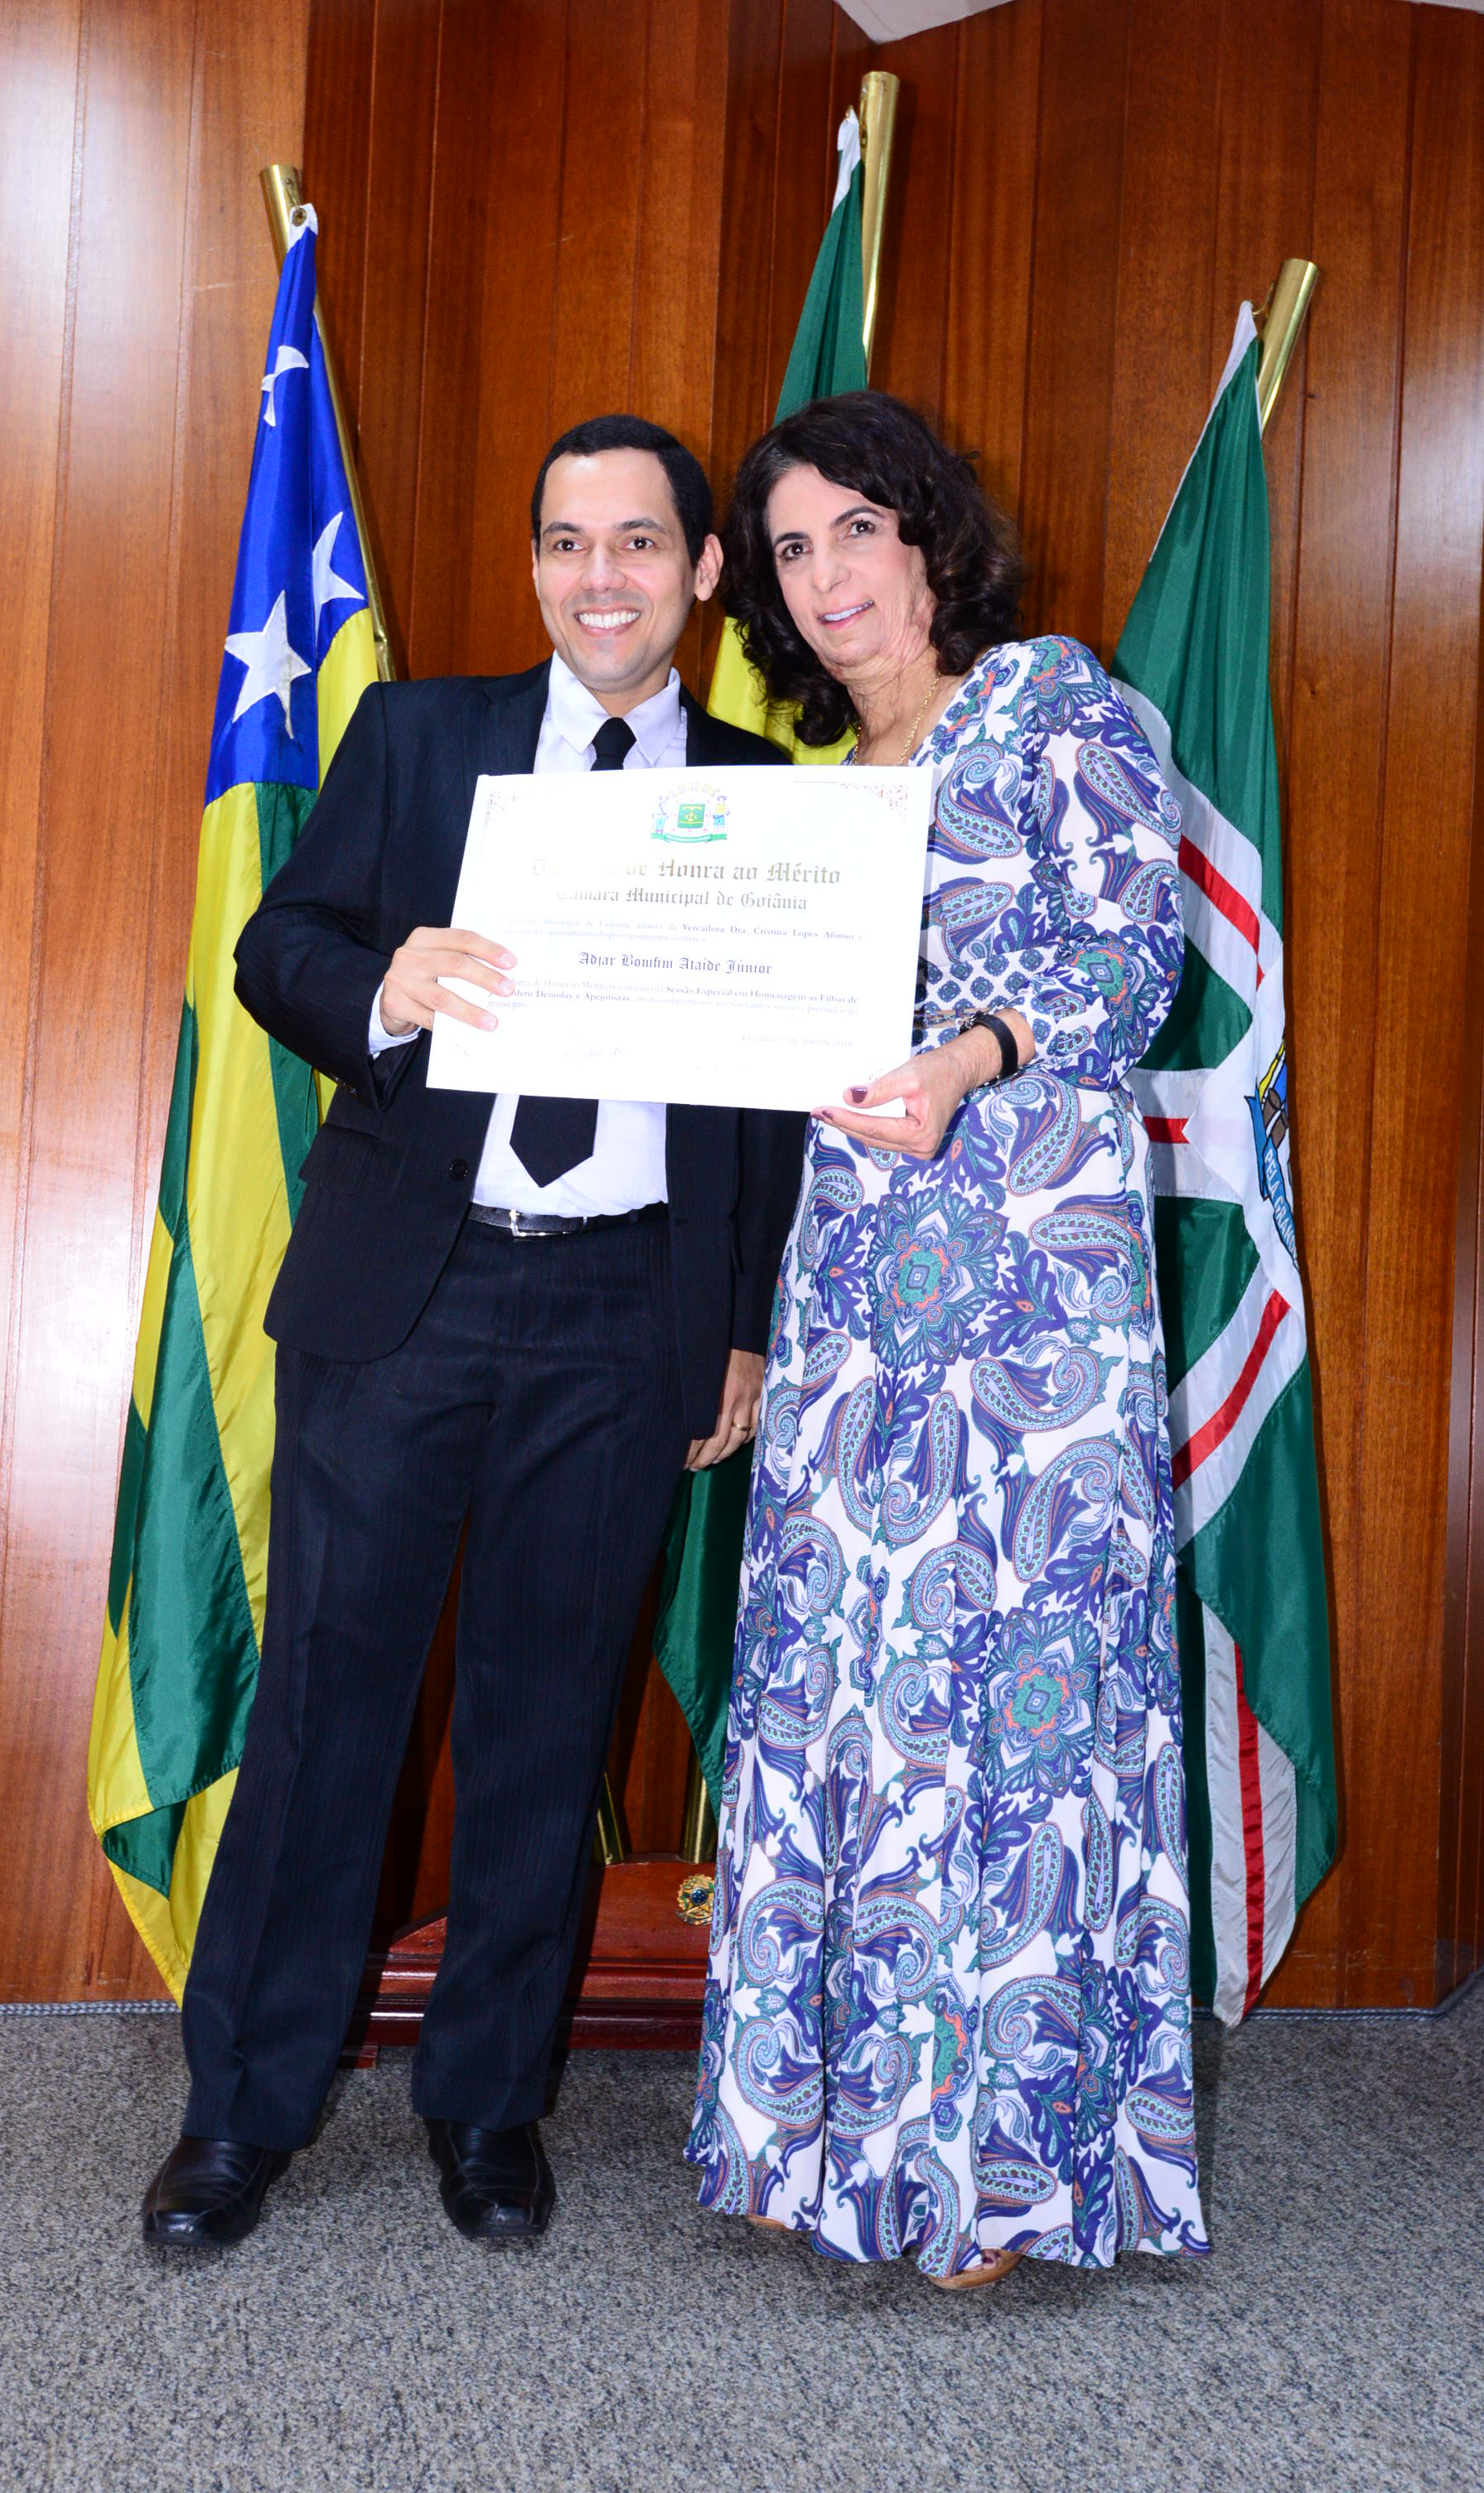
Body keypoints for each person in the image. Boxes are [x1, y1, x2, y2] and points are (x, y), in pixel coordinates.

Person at [143, 414, 801, 2253]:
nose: (601, 575)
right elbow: (276, 946)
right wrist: (381, 983)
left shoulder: (766, 799)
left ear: (701, 572)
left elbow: (768, 1106)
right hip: (403, 1297)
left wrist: (740, 1327)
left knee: (545, 1719)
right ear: (534, 567)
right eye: (567, 542)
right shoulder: (420, 737)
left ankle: (489, 2106)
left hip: (623, 1309)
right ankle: (242, 2111)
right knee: (324, 1707)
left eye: (638, 541)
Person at [686, 390, 1208, 2283]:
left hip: (1027, 1301)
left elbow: (1127, 961)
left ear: (927, 539)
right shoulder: (808, 791)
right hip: (849, 1289)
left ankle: (996, 2170)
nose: (829, 574)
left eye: (859, 528)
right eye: (793, 546)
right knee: (844, 1677)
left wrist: (966, 1057)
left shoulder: (1051, 704)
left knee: (1008, 1691)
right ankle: (821, 2136)